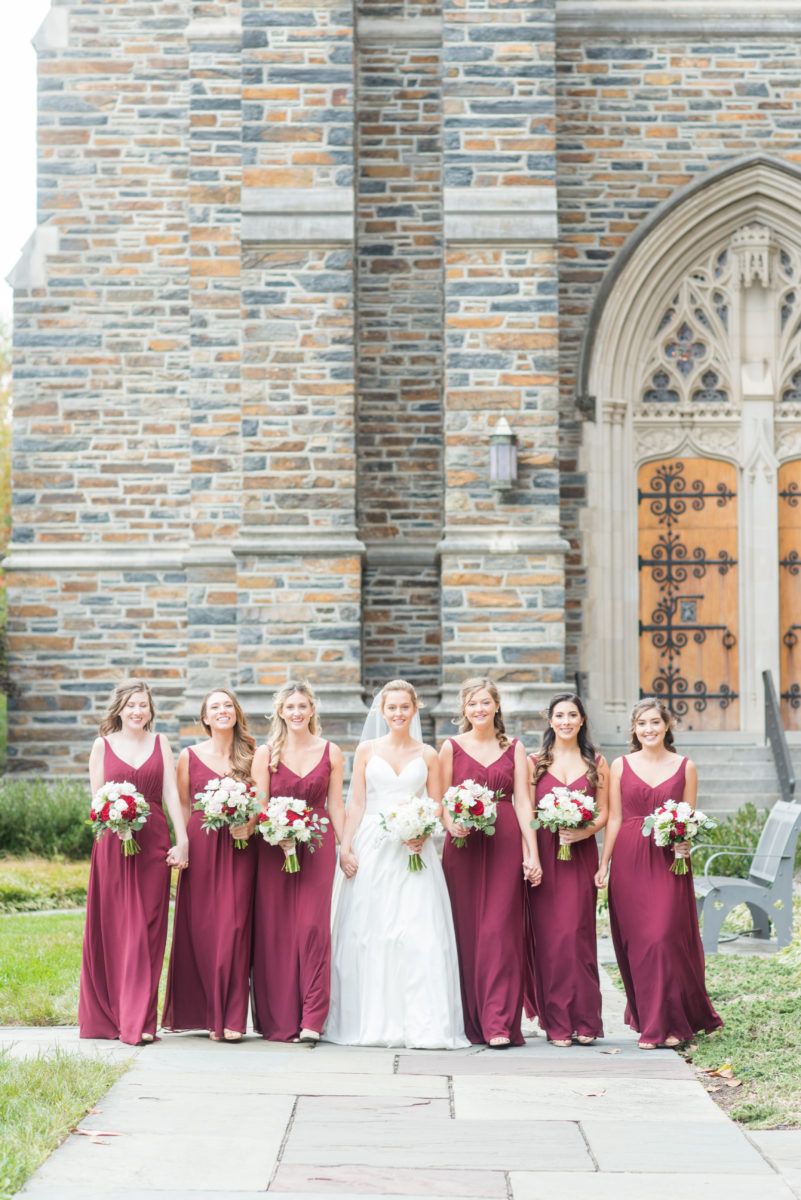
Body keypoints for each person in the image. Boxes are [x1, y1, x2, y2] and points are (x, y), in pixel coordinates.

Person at [325, 679, 468, 1049]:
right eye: (392, 708)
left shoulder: (428, 754)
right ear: (382, 711)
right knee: (371, 931)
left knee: (419, 930)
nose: (399, 713)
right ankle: (371, 1021)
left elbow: (437, 802)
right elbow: (355, 801)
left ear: (415, 709)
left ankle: (422, 1024)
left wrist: (424, 830)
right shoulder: (366, 751)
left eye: (405, 707)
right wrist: (346, 846)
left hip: (414, 849)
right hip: (373, 844)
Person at [595, 697, 723, 1048]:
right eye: (641, 724)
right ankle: (653, 1025)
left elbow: (689, 820)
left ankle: (671, 1022)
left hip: (669, 859)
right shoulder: (620, 765)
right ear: (634, 730)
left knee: (663, 937)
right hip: (629, 858)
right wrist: (603, 863)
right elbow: (616, 818)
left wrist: (685, 844)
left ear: (667, 725)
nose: (648, 729)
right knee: (639, 943)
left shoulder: (686, 767)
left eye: (654, 722)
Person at [79, 679, 188, 1044]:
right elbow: (96, 803)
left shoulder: (161, 743)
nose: (137, 711)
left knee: (148, 929)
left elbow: (171, 792)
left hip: (154, 841)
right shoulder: (102, 745)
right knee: (115, 930)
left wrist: (182, 839)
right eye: (131, 705)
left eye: (143, 705)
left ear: (150, 709)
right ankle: (114, 1017)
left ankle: (140, 1019)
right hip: (113, 844)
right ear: (119, 709)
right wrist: (116, 823)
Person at [440, 677, 542, 1048]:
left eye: (485, 702)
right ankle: (470, 1020)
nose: (479, 709)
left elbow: (523, 802)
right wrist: (453, 824)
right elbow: (441, 800)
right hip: (464, 846)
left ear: (497, 706)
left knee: (501, 931)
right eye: (472, 704)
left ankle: (499, 1023)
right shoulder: (450, 748)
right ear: (463, 710)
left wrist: (531, 853)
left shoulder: (514, 748)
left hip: (504, 841)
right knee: (466, 931)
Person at [162, 688, 257, 1042]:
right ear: (204, 717)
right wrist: (182, 844)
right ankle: (206, 1013)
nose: (222, 711)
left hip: (240, 846)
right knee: (203, 929)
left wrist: (250, 824)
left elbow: (262, 799)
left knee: (235, 926)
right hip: (201, 847)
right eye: (214, 707)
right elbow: (182, 806)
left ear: (236, 712)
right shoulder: (189, 756)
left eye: (228, 705)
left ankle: (232, 1017)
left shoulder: (252, 753)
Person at [251, 682, 344, 1042]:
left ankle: (312, 1018)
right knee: (276, 930)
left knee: (312, 928)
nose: (296, 712)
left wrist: (346, 846)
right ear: (280, 711)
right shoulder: (266, 753)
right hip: (275, 847)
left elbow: (336, 804)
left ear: (312, 710)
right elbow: (260, 803)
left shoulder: (331, 751)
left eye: (302, 706)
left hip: (318, 846)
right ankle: (280, 1018)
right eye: (290, 707)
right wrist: (276, 830)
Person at [529, 693, 608, 1046]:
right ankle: (557, 1023)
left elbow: (605, 812)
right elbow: (526, 812)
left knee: (578, 936)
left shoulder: (597, 763)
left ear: (581, 721)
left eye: (572, 715)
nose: (565, 721)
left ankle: (587, 1020)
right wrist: (529, 857)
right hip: (546, 856)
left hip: (580, 854)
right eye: (559, 715)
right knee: (551, 940)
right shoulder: (535, 763)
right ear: (550, 721)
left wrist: (583, 831)